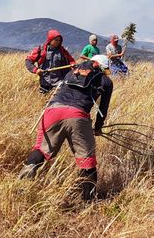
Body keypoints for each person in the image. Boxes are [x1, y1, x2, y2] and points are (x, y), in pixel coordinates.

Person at [19, 54, 113, 202]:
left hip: (52, 111)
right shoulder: (105, 81)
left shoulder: (72, 72)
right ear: (102, 66)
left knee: (41, 150)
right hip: (78, 115)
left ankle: (23, 181)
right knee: (86, 159)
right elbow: (103, 108)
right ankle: (88, 201)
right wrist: (98, 128)